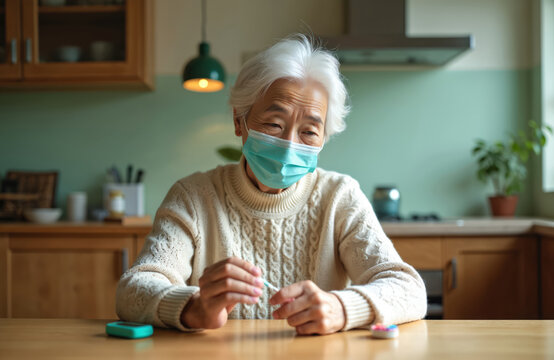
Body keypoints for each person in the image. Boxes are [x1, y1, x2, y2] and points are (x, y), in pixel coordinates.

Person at [116, 34, 427, 335]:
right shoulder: (193, 197)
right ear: (240, 121)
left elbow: (409, 290)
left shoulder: (340, 197)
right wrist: (195, 307)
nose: (290, 146)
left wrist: (340, 308)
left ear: (324, 139)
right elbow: (133, 290)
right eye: (275, 124)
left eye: (309, 132)